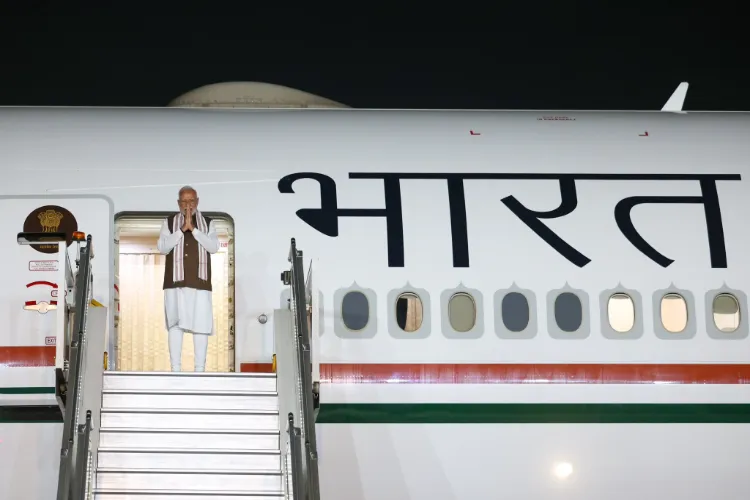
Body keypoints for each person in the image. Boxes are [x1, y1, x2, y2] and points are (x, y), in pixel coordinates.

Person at [157, 186, 219, 372]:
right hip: (174, 283)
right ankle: (175, 370)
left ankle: (199, 370)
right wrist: (181, 230)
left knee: (201, 325)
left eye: (191, 201)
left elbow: (213, 247)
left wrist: (195, 230)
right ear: (178, 203)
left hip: (200, 283)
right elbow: (162, 247)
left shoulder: (208, 223)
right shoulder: (168, 222)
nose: (188, 205)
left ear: (197, 201)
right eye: (184, 201)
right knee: (175, 324)